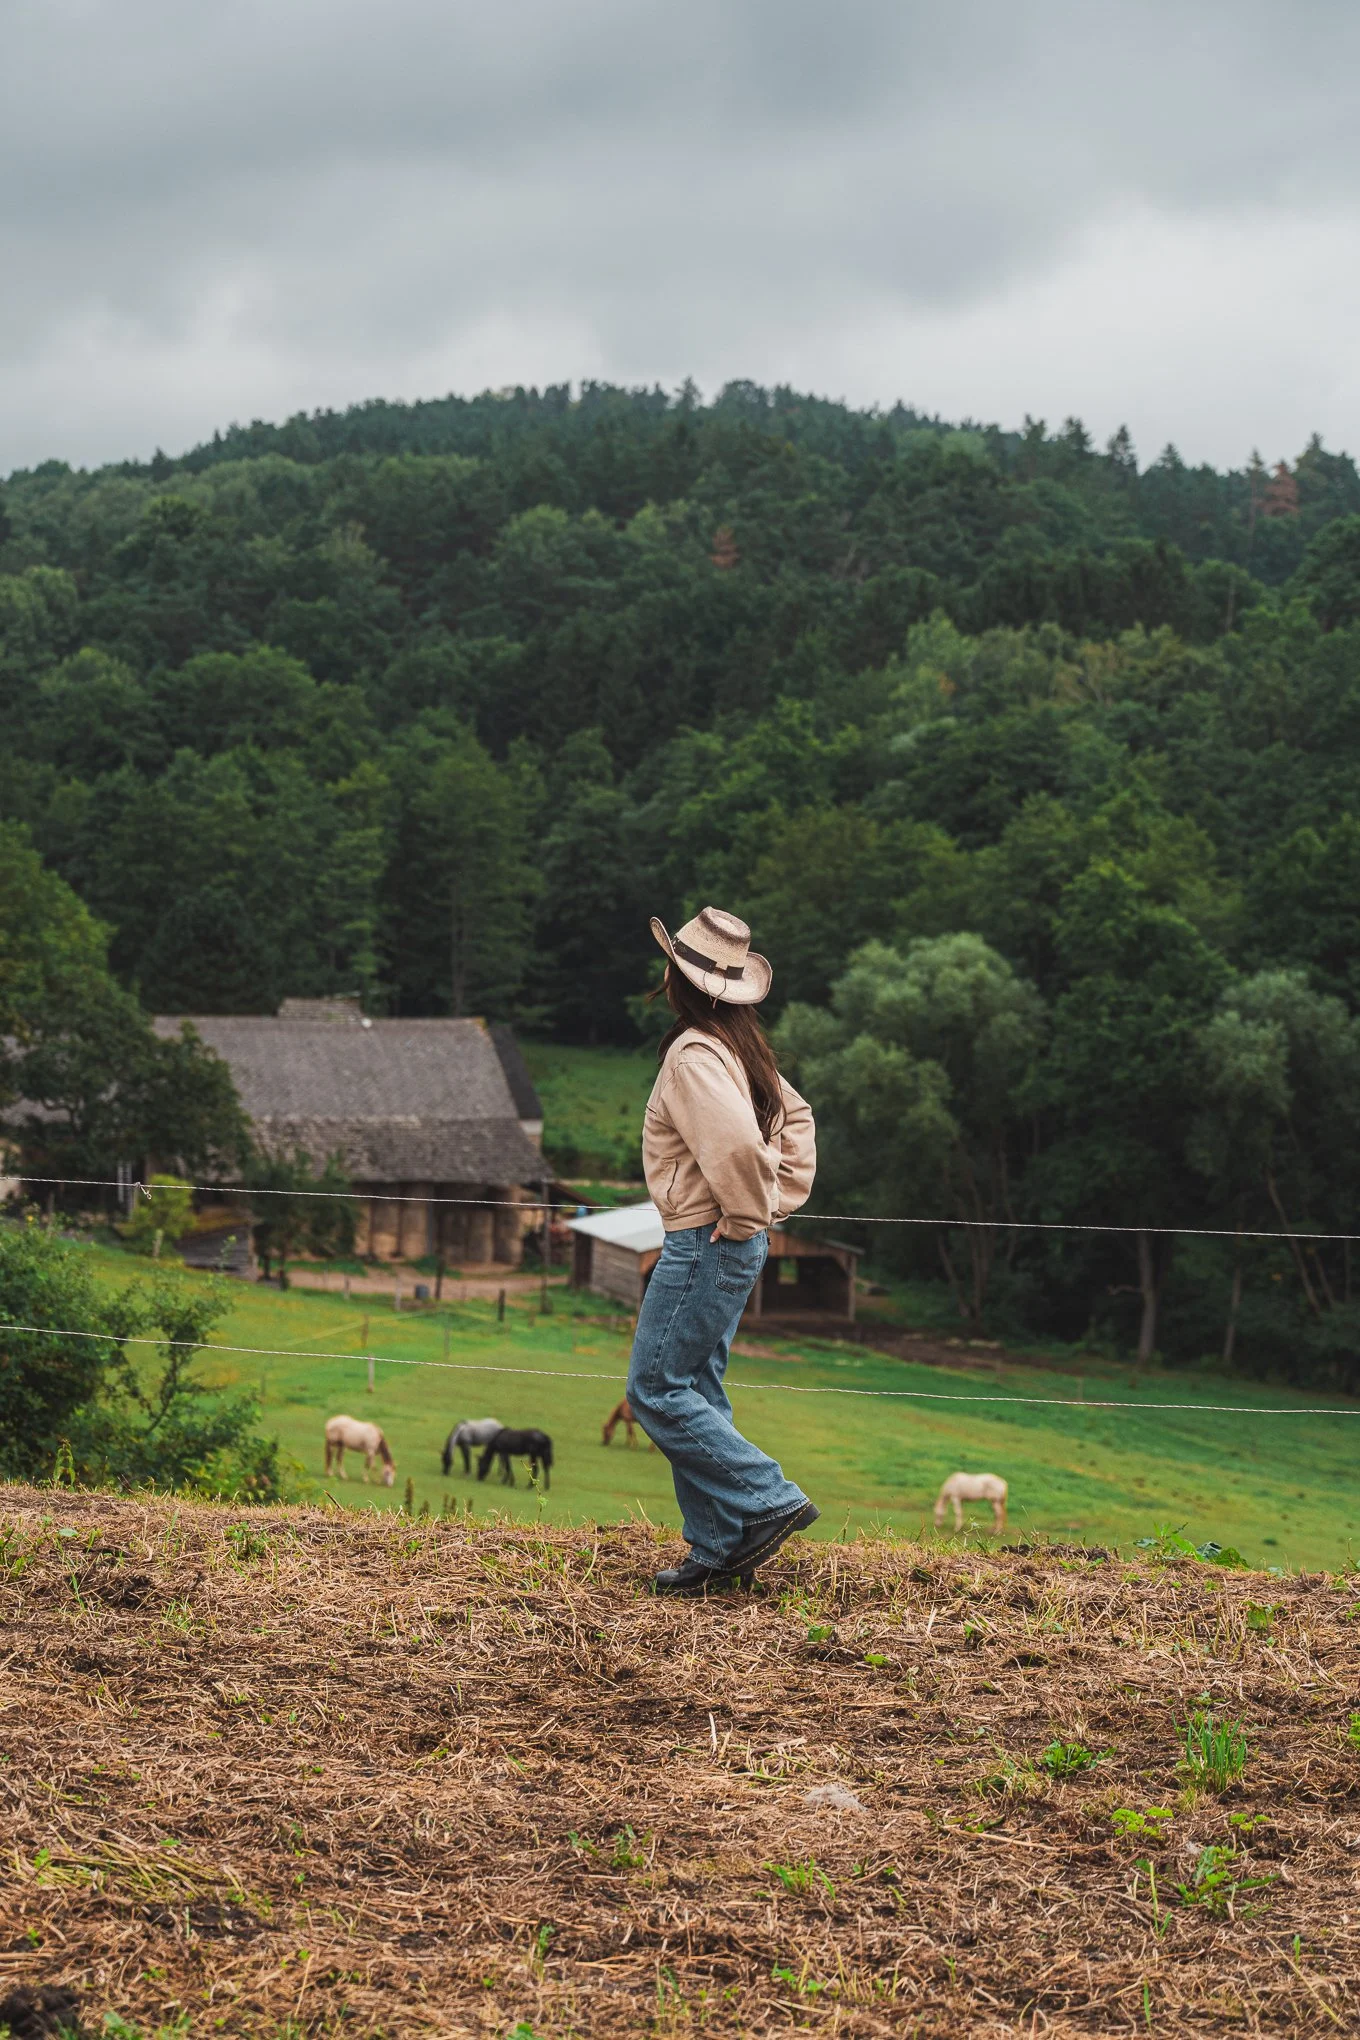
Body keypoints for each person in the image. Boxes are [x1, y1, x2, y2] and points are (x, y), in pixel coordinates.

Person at [626, 906, 820, 1595]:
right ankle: (719, 1546)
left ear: (678, 979)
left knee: (653, 1389)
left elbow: (739, 1146)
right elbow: (794, 1118)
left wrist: (748, 1213)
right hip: (726, 1238)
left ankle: (766, 1497)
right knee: (696, 1387)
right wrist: (772, 1206)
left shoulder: (693, 1055)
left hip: (706, 1242)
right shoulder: (735, 1048)